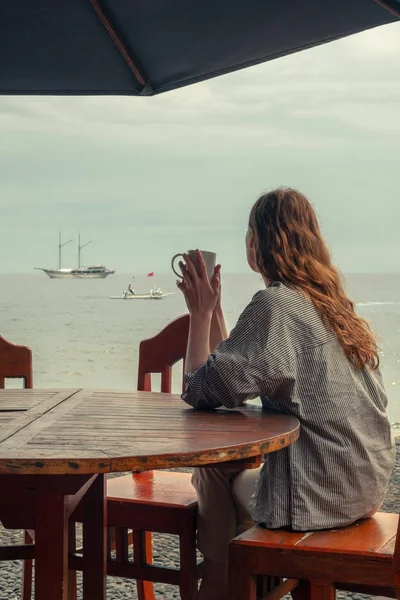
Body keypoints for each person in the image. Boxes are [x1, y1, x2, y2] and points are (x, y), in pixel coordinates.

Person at [176, 187, 395, 600]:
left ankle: (222, 580)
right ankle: (248, 577)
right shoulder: (332, 305)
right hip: (362, 485)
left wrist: (200, 314)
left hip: (318, 496)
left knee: (213, 471)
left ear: (255, 244)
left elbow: (199, 390)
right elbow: (230, 381)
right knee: (229, 480)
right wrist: (218, 310)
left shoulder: (275, 306)